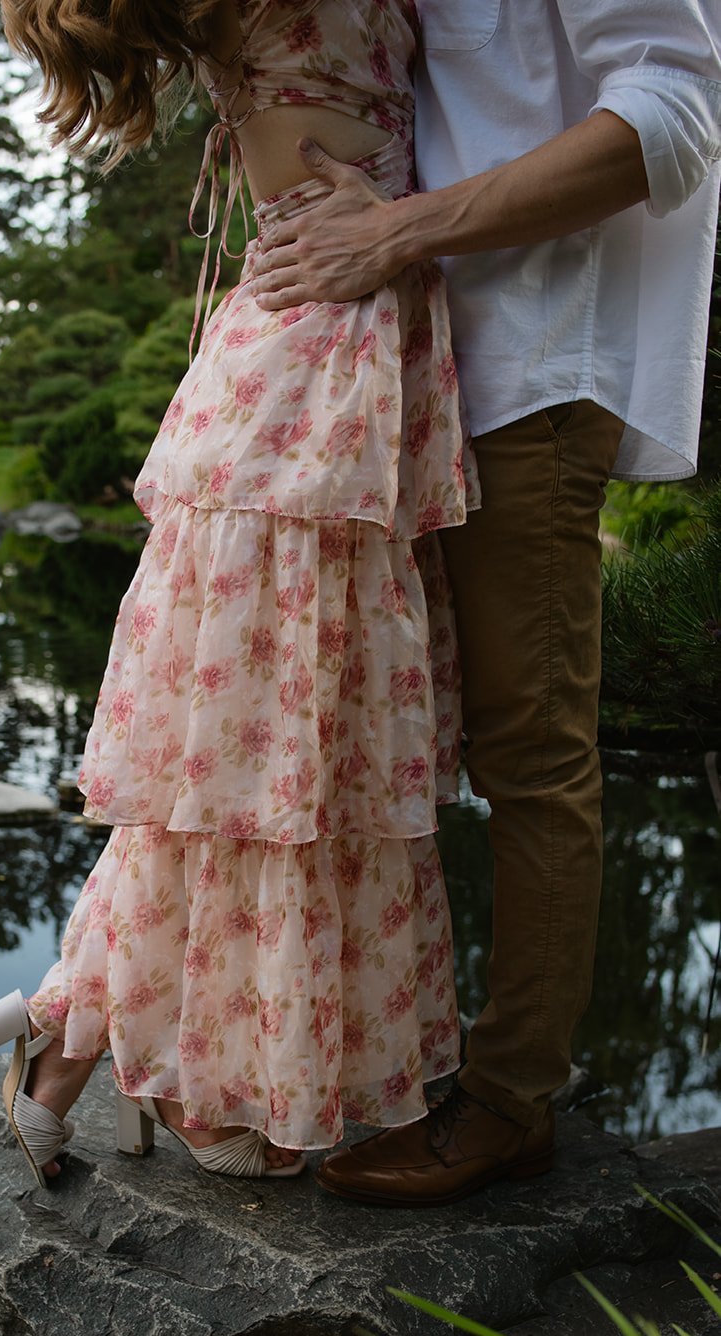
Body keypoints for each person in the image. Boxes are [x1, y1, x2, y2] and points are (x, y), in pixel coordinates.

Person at [0, 0, 479, 1186]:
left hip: (320, 357)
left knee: (271, 763)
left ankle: (66, 1036)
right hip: (308, 372)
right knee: (260, 765)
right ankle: (109, 1051)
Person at [246, 0, 721, 1204]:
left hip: (527, 362)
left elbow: (671, 113)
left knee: (526, 742)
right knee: (339, 721)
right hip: (383, 359)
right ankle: (366, 1046)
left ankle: (512, 1099)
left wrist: (397, 231)